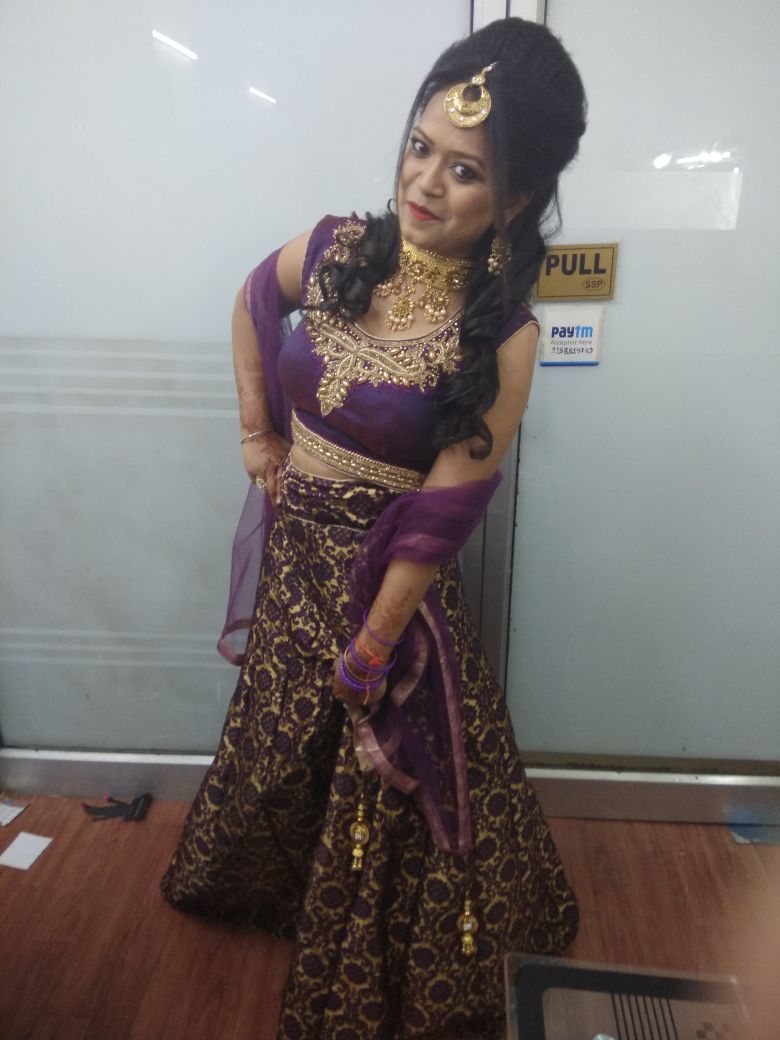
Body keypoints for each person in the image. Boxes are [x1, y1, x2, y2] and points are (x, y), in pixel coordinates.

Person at [161, 17, 587, 1040]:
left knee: (376, 767)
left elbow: (443, 511)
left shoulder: (504, 337)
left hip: (384, 587)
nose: (426, 182)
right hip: (294, 558)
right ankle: (271, 884)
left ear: (514, 200)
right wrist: (259, 432)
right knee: (281, 737)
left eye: (465, 171)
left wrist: (373, 644)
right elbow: (253, 299)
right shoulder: (339, 248)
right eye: (420, 147)